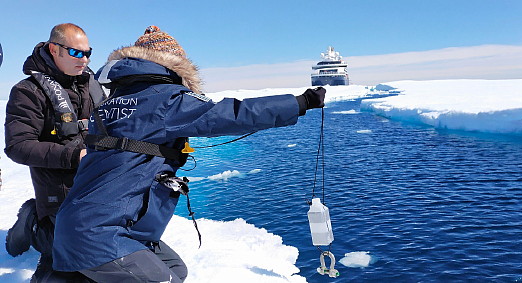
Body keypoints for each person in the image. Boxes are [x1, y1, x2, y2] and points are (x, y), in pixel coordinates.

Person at [51, 25, 325, 282]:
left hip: (89, 223)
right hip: (99, 235)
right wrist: (299, 103)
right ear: (173, 65)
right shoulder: (164, 99)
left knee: (175, 269)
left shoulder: (113, 102)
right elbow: (231, 114)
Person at [4, 23, 105, 282]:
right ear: (54, 49)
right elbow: (18, 146)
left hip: (96, 184)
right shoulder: (27, 92)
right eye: (76, 52)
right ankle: (35, 224)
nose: (85, 59)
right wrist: (74, 156)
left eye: (88, 52)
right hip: (58, 193)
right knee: (75, 257)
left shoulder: (93, 88)